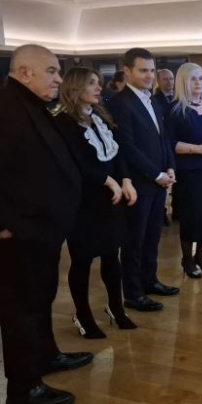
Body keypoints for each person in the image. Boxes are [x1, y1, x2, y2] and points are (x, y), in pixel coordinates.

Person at [0, 44, 92, 404]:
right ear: (25, 72)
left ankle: (45, 355)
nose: (59, 79)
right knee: (21, 310)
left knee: (41, 298)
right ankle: (25, 387)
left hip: (42, 230)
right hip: (20, 233)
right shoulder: (6, 108)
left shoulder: (32, 105)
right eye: (52, 71)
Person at [54, 67, 138, 339]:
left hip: (110, 200)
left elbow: (117, 152)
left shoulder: (100, 116)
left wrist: (125, 179)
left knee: (112, 255)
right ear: (75, 87)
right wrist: (106, 180)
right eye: (92, 83)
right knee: (82, 260)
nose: (99, 87)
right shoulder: (64, 122)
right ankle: (83, 314)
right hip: (84, 202)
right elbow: (75, 163)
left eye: (98, 83)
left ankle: (116, 308)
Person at [107, 48, 179, 312]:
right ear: (127, 71)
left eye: (151, 70)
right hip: (138, 183)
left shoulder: (152, 100)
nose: (149, 75)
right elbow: (127, 146)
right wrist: (156, 174)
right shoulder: (120, 103)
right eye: (143, 70)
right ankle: (133, 293)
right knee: (134, 241)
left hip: (158, 181)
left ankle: (150, 281)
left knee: (152, 236)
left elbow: (163, 138)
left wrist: (170, 166)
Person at [166, 63, 202, 278]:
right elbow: (170, 144)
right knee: (192, 218)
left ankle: (200, 257)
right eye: (193, 78)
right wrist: (199, 149)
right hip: (190, 173)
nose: (198, 82)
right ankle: (187, 259)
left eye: (201, 78)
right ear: (183, 81)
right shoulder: (175, 110)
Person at [152, 69, 177, 226]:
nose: (169, 82)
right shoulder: (155, 100)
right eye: (165, 79)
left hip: (177, 143)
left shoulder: (178, 97)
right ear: (159, 81)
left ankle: (177, 210)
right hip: (163, 143)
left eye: (171, 78)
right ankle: (161, 213)